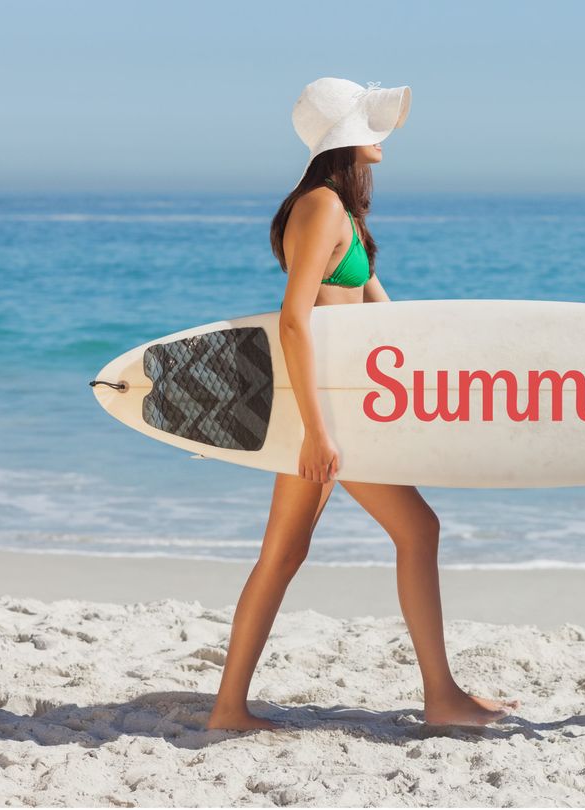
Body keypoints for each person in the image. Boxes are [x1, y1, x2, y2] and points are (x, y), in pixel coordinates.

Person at [207, 77, 518, 731]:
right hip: (326, 412)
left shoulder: (341, 213)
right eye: (369, 124)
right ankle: (441, 696)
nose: (382, 135)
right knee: (418, 530)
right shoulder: (319, 207)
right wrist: (320, 433)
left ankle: (229, 710)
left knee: (284, 555)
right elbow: (295, 321)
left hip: (333, 407)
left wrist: (452, 380)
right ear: (346, 138)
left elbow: (384, 323)